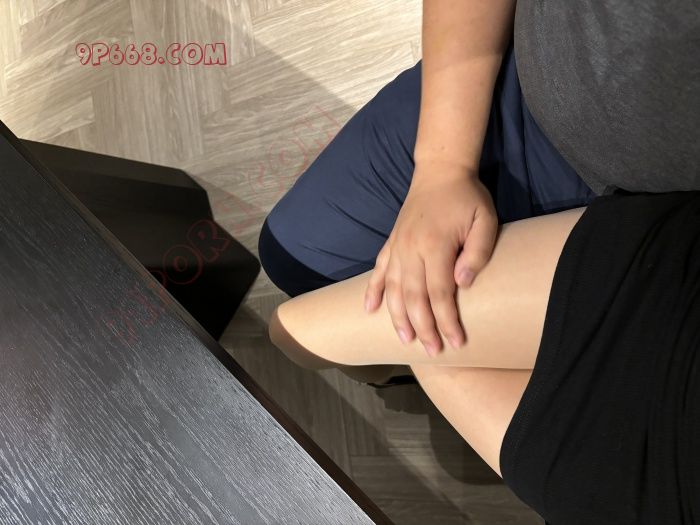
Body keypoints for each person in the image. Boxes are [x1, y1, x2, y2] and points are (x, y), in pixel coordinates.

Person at [260, 0, 700, 522]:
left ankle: (393, 369)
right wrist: (442, 167)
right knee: (294, 270)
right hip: (539, 101)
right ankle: (392, 369)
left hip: (650, 257)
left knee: (309, 320)